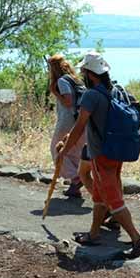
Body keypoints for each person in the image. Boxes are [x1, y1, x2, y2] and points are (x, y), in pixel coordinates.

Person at [58, 51, 140, 258]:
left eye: (83, 71)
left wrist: (65, 150)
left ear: (90, 73)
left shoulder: (91, 96)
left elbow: (80, 126)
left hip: (102, 154)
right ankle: (93, 234)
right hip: (115, 151)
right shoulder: (112, 90)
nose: (81, 74)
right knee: (99, 194)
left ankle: (137, 239)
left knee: (113, 199)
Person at [47, 54, 85, 198]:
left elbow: (68, 101)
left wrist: (55, 92)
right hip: (77, 120)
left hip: (66, 120)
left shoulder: (62, 81)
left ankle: (75, 178)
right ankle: (75, 187)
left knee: (56, 149)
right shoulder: (76, 80)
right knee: (73, 151)